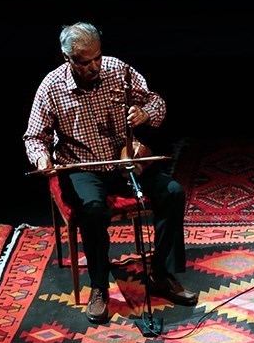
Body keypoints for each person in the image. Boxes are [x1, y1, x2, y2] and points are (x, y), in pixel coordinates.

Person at [23, 22, 198, 324]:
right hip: (83, 167)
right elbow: (34, 137)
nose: (94, 67)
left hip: (124, 159)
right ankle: (99, 287)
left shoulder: (118, 70)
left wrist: (146, 113)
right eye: (84, 62)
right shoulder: (51, 87)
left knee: (172, 193)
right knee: (92, 209)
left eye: (97, 58)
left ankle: (161, 274)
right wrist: (41, 160)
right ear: (67, 59)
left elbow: (156, 102)